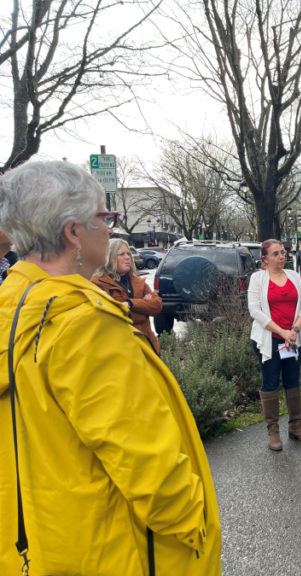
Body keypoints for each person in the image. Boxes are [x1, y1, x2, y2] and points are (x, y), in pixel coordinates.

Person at [0, 161, 221, 575]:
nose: (110, 228)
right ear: (73, 232)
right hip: (116, 549)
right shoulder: (84, 322)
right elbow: (145, 459)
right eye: (105, 216)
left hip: (40, 543)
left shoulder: (12, 307)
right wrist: (194, 520)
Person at [248, 239, 301, 451]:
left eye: (283, 253)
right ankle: (273, 430)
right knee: (270, 382)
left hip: (293, 340)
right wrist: (282, 332)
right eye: (275, 254)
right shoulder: (257, 279)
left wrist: (294, 330)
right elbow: (255, 311)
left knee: (293, 380)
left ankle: (295, 426)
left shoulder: (293, 276)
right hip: (270, 340)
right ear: (265, 258)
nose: (281, 257)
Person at [92, 238, 163, 352]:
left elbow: (157, 306)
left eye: (128, 254)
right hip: (120, 349)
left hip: (147, 347)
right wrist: (144, 307)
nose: (127, 257)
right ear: (109, 258)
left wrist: (130, 304)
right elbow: (111, 317)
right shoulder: (98, 284)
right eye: (121, 254)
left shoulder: (139, 282)